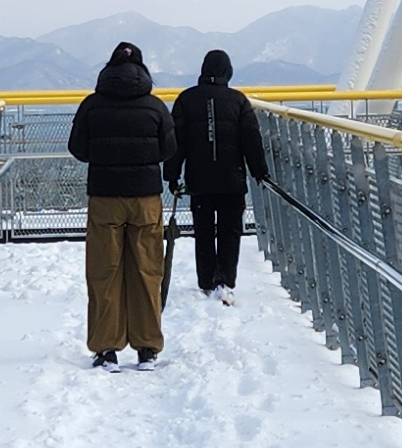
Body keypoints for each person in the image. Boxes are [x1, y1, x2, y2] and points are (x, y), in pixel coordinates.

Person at [67, 40, 173, 367]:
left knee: (104, 272)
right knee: (146, 270)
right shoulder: (155, 107)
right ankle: (146, 348)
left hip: (104, 196)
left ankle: (106, 348)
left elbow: (78, 148)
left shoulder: (91, 105)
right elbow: (168, 149)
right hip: (145, 198)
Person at [169, 47, 272, 302]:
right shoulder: (238, 101)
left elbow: (176, 143)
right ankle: (225, 280)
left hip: (199, 180)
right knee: (230, 230)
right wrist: (260, 172)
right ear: (228, 71)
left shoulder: (185, 100)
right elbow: (252, 140)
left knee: (203, 231)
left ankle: (206, 280)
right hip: (232, 180)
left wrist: (172, 176)